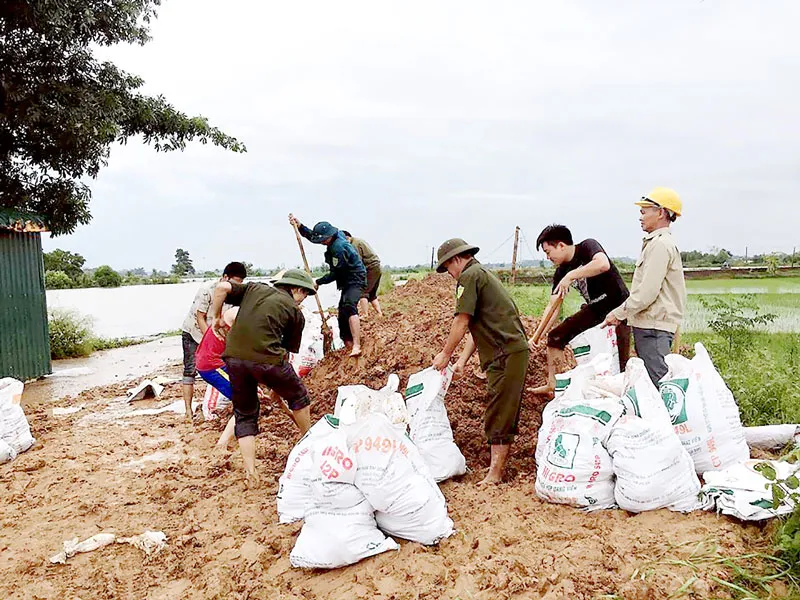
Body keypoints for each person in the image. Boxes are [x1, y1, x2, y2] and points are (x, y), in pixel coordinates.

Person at [432, 238, 530, 484]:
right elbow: (478, 327)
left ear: (456, 259)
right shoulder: (479, 273)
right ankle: (495, 471)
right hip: (507, 352)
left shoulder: (469, 276)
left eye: (448, 268)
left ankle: (495, 474)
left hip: (505, 353)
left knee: (500, 410)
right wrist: (462, 360)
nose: (450, 274)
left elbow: (462, 321)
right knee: (499, 407)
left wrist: (446, 354)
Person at [208, 269, 317, 486]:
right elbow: (286, 353)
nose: (303, 299)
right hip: (268, 360)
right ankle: (310, 443)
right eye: (304, 294)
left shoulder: (254, 288)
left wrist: (216, 317)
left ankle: (251, 473)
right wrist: (278, 387)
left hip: (234, 359)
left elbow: (221, 288)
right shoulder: (295, 313)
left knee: (245, 414)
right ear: (295, 289)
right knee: (300, 397)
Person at [529, 225, 630, 395]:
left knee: (620, 360)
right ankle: (554, 385)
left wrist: (572, 275)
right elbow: (553, 306)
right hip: (596, 309)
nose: (548, 257)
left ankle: (624, 393)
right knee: (555, 337)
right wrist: (536, 337)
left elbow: (602, 264)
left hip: (619, 307)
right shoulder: (561, 271)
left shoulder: (587, 247)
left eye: (548, 252)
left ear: (561, 245)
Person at [604, 187, 686, 386]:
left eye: (644, 211)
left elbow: (646, 293)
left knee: (658, 385)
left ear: (660, 212)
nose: (640, 217)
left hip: (654, 327)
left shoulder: (659, 245)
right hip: (650, 325)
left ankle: (667, 418)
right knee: (654, 384)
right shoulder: (657, 243)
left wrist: (618, 313)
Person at [289, 214, 367, 357]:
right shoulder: (333, 236)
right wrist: (299, 226)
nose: (321, 242)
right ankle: (347, 344)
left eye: (323, 240)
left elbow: (336, 273)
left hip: (355, 278)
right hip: (346, 279)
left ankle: (356, 345)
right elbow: (312, 236)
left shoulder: (338, 248)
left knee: (349, 306)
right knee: (342, 313)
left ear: (329, 236)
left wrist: (318, 282)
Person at [180, 262, 247, 421]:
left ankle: (210, 406)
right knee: (190, 370)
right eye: (234, 284)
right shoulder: (207, 290)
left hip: (215, 334)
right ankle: (188, 411)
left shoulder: (235, 294)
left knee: (217, 368)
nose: (236, 288)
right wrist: (209, 340)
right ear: (225, 278)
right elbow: (200, 317)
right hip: (195, 332)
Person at [342, 230, 383, 318]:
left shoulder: (354, 245)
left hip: (370, 268)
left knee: (362, 292)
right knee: (371, 294)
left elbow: (358, 262)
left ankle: (365, 315)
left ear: (346, 238)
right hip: (376, 268)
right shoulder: (357, 241)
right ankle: (379, 313)